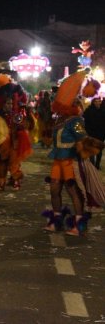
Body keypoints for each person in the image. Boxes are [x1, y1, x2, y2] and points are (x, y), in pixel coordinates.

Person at [43, 71, 105, 235]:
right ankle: (56, 221)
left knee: (74, 192)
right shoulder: (58, 120)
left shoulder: (75, 121)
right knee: (54, 190)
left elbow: (83, 138)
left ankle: (79, 224)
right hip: (58, 160)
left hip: (71, 161)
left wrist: (89, 148)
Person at [0, 74, 34, 191]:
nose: (9, 106)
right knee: (1, 162)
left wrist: (22, 123)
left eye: (10, 104)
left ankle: (16, 180)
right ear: (3, 104)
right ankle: (2, 181)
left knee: (14, 161)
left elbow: (25, 125)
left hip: (14, 142)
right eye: (6, 104)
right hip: (2, 143)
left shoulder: (17, 115)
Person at [83, 96, 105, 169]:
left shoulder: (103, 110)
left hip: (101, 133)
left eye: (99, 101)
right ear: (93, 102)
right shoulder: (88, 110)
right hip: (91, 133)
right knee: (92, 149)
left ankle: (97, 165)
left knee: (99, 150)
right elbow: (85, 122)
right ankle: (92, 165)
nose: (98, 102)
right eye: (96, 101)